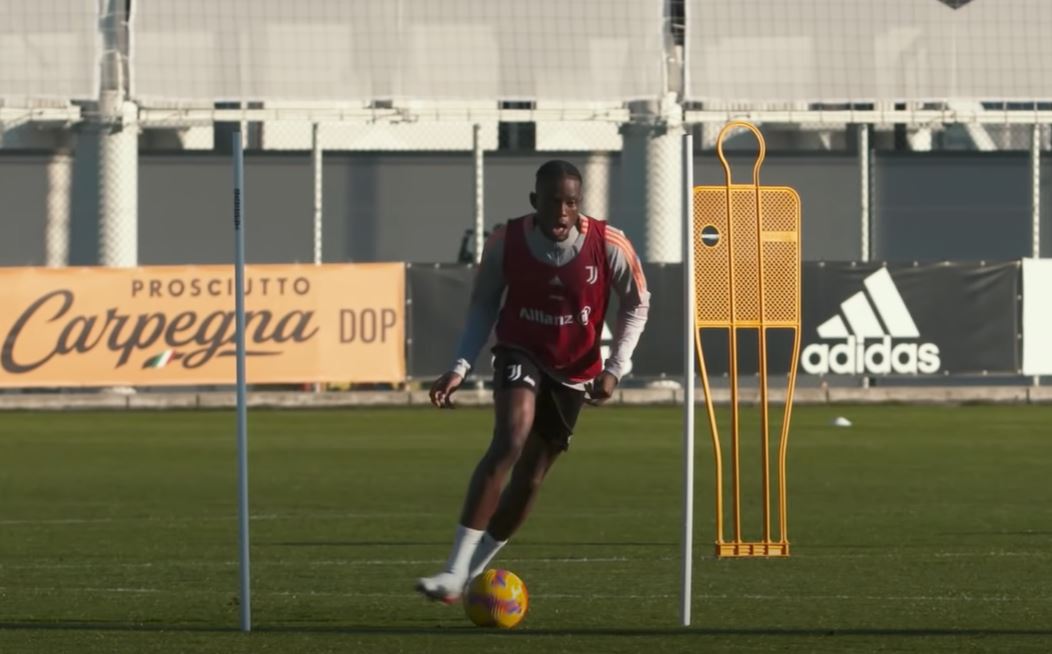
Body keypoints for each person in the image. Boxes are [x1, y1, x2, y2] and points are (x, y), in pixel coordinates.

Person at [415, 160, 650, 603]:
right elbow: (483, 304)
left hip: (575, 370)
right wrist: (460, 366)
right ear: (533, 202)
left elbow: (638, 304)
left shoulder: (609, 243)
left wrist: (616, 367)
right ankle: (452, 569)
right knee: (509, 440)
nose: (562, 212)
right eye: (552, 202)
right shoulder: (506, 240)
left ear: (580, 204)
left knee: (530, 479)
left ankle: (469, 576)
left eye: (571, 203)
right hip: (519, 350)